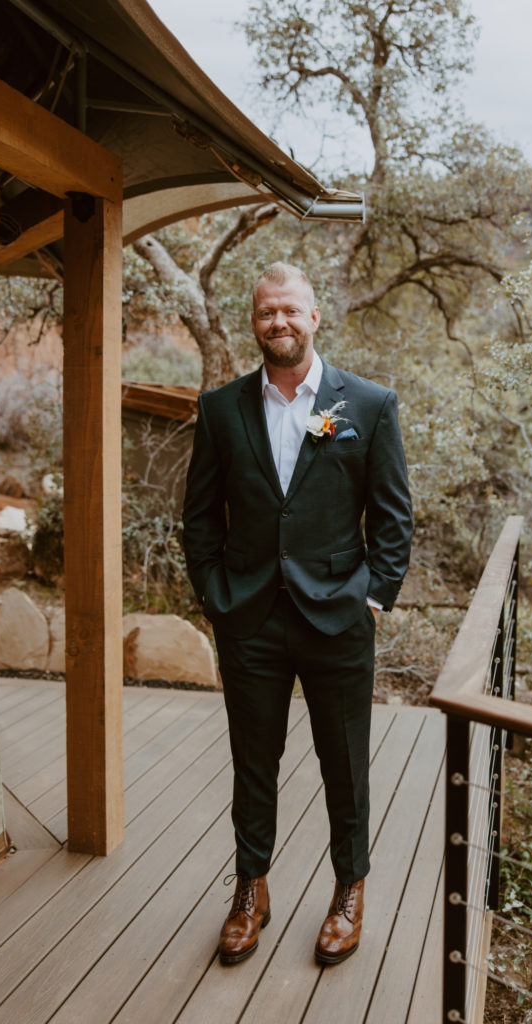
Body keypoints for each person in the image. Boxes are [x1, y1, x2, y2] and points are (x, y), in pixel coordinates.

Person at [182, 261, 413, 966]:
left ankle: (350, 888)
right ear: (253, 323)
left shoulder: (365, 405)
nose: (276, 322)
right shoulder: (221, 409)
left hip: (339, 617)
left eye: (289, 310)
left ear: (314, 317)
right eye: (264, 313)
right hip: (248, 618)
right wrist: (215, 598)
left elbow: (394, 518)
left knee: (344, 763)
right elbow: (198, 519)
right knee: (253, 762)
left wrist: (371, 599)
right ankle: (250, 887)